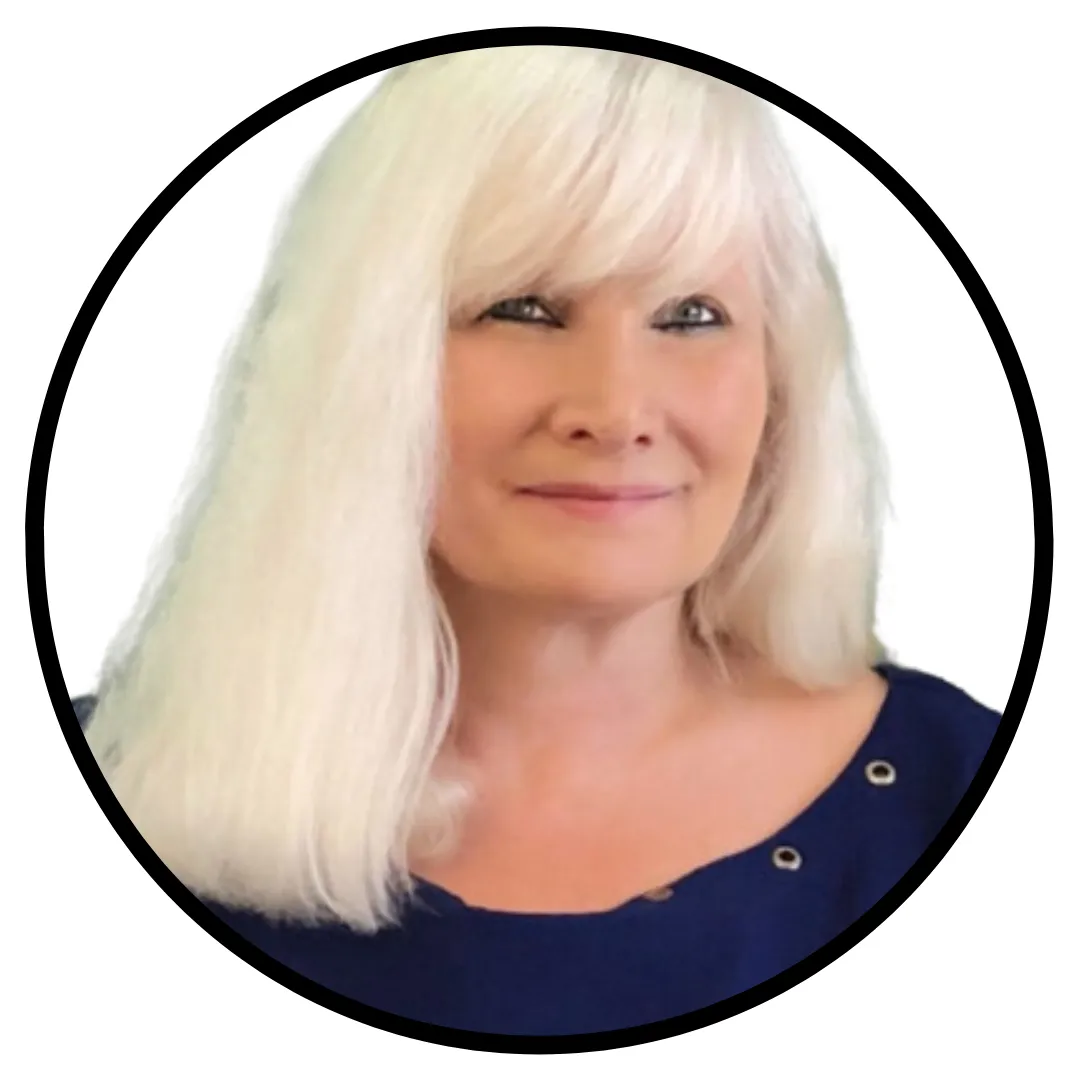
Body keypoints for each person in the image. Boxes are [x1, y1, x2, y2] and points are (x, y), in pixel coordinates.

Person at [72, 44, 1001, 1037]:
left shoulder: (968, 794)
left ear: (781, 380)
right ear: (360, 364)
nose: (617, 409)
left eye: (690, 316)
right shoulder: (92, 794)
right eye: (524, 309)